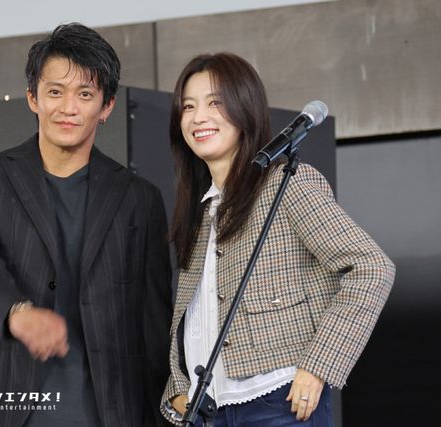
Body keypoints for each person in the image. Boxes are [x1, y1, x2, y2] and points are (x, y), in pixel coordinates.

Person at [0, 23, 173, 427]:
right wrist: (16, 312)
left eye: (85, 94)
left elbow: (154, 322)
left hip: (108, 411)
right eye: (55, 92)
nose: (68, 108)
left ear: (107, 106)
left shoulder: (139, 198)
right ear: (33, 97)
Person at [160, 52, 395, 426]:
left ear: (245, 107)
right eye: (188, 106)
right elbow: (193, 313)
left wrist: (318, 365)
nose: (198, 116)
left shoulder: (286, 184)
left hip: (278, 403)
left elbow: (371, 267)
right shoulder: (200, 210)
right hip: (209, 412)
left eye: (215, 102)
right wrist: (178, 389)